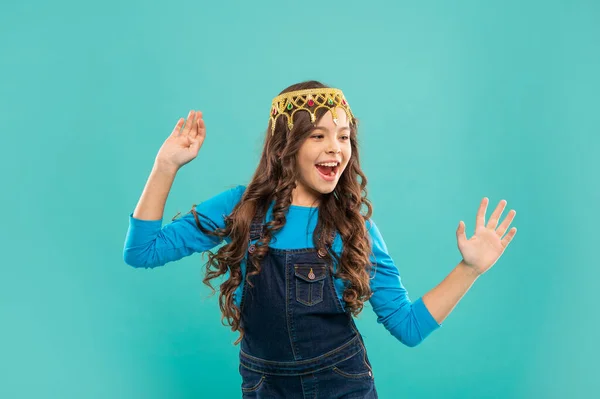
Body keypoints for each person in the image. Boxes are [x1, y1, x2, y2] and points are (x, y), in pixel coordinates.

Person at [123, 80, 518, 398]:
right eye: (318, 135)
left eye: (344, 137)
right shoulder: (240, 208)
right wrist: (166, 165)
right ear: (285, 147)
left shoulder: (353, 228)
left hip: (342, 385)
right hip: (266, 388)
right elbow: (142, 252)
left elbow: (408, 326)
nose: (335, 147)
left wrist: (469, 269)